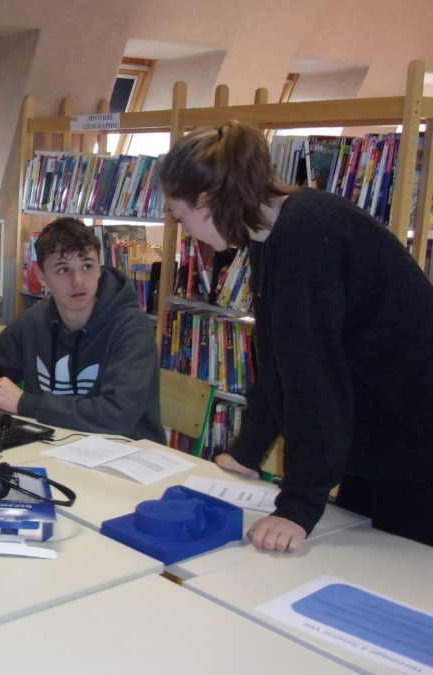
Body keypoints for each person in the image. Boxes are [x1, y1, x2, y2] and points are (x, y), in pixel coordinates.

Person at [159, 120, 433, 551]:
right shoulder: (271, 233)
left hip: (415, 442)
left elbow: (313, 379)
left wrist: (297, 508)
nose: (186, 230)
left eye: (181, 216)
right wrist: (248, 451)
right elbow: (276, 361)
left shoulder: (307, 235)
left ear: (208, 200)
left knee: (402, 579)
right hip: (379, 438)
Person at [0, 218, 164, 442]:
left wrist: (25, 403)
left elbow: (116, 417)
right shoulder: (35, 321)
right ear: (41, 276)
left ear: (100, 269)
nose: (78, 281)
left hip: (127, 457)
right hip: (55, 447)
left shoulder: (132, 328)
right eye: (63, 270)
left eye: (87, 266)